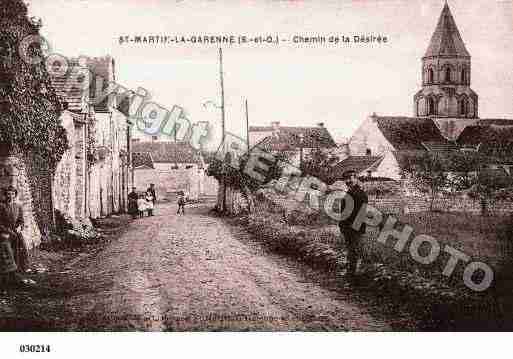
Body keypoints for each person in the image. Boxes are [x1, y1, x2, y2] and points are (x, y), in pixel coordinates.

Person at [338, 170, 368, 280]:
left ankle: (355, 275)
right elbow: (344, 212)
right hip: (348, 228)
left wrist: (355, 229)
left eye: (351, 178)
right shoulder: (349, 193)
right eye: (346, 179)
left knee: (355, 251)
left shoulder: (360, 193)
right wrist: (342, 225)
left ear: (356, 178)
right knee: (351, 251)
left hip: (355, 228)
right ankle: (351, 274)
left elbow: (361, 213)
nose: (348, 181)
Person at [0, 186, 32, 286]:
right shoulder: (1, 206)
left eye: (13, 194)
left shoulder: (18, 206)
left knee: (21, 249)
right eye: (8, 194)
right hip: (4, 232)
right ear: (6, 195)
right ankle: (8, 274)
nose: (11, 196)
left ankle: (18, 272)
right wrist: (6, 231)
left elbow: (21, 221)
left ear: (15, 195)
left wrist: (19, 227)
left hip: (15, 232)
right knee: (6, 249)